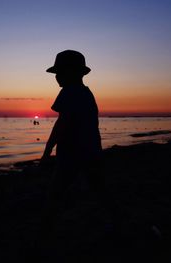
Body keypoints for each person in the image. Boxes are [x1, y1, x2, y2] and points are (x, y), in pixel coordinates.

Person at [40, 50, 102, 230]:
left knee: (54, 194)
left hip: (72, 153)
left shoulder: (69, 92)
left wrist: (47, 152)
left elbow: (61, 124)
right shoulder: (85, 93)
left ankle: (44, 231)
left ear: (73, 73)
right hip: (91, 150)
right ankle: (119, 219)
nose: (57, 77)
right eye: (56, 73)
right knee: (99, 189)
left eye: (60, 72)